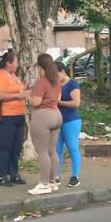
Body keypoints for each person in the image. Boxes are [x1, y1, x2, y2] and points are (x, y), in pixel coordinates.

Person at [0, 49, 28, 187]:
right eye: (16, 61)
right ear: (8, 63)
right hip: (7, 116)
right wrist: (17, 96)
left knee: (16, 146)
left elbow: (20, 90)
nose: (17, 64)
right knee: (5, 146)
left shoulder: (14, 76)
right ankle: (2, 175)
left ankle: (14, 173)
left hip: (19, 115)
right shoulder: (0, 76)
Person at [27, 54, 63, 195]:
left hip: (43, 117)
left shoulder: (42, 82)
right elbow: (58, 98)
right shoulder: (57, 80)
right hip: (56, 114)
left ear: (40, 67)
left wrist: (27, 95)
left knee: (42, 152)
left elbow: (36, 102)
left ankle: (43, 184)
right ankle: (53, 182)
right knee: (52, 151)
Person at [54, 61, 81, 187]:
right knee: (57, 149)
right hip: (57, 121)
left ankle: (75, 176)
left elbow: (76, 103)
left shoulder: (72, 84)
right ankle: (56, 176)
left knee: (72, 148)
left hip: (71, 120)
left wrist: (59, 103)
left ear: (62, 71)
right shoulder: (56, 84)